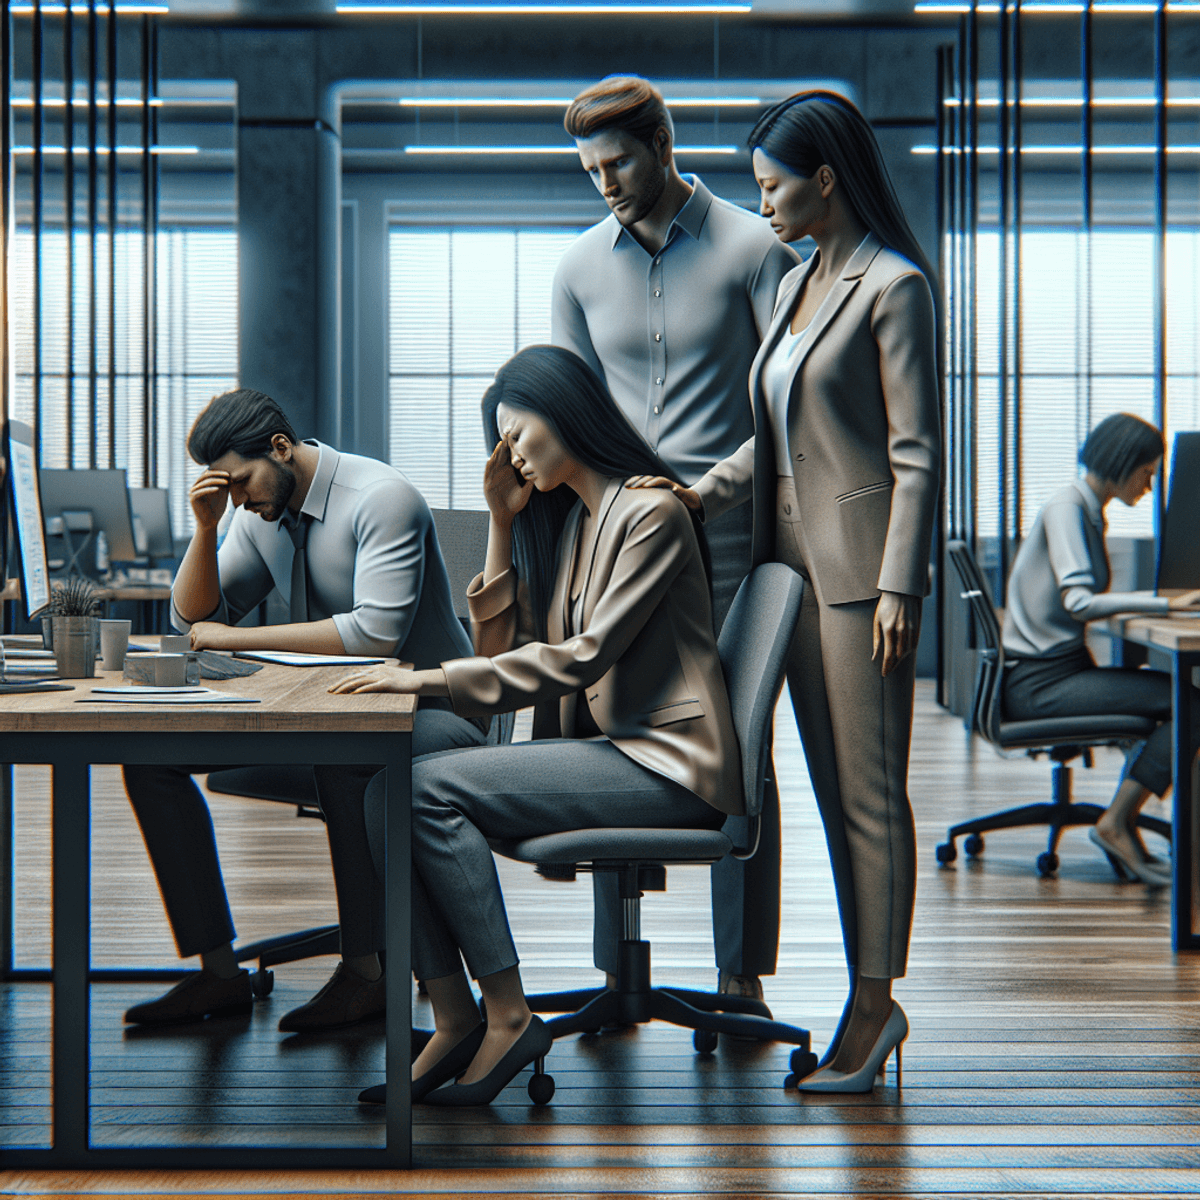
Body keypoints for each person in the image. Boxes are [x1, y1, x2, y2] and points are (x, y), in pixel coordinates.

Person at [328, 345, 742, 1107]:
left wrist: (421, 677)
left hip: (666, 766)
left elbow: (580, 659)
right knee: (388, 783)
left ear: (570, 411)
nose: (512, 454)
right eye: (504, 442)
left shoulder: (647, 515)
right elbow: (503, 659)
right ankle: (455, 1016)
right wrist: (499, 521)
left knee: (425, 790)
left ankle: (510, 1015)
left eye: (520, 434)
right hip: (612, 751)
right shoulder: (578, 524)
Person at [636, 90, 941, 1091]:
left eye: (773, 185)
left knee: (866, 797)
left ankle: (874, 1005)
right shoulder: (796, 284)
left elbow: (916, 454)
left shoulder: (893, 286)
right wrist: (699, 493)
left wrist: (902, 581)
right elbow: (767, 438)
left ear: (825, 178)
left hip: (860, 583)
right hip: (782, 573)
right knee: (805, 787)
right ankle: (861, 994)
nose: (759, 203)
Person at [121, 388, 487, 1030]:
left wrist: (239, 639)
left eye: (240, 482)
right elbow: (190, 620)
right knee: (152, 756)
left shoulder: (381, 499)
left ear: (281, 448)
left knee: (344, 757)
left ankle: (367, 974)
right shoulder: (252, 514)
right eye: (224, 489)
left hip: (433, 710)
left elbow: (376, 636)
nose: (238, 499)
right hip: (329, 713)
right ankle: (218, 973)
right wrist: (207, 530)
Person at [553, 74, 800, 1001]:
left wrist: (704, 496)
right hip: (614, 540)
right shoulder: (577, 268)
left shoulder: (754, 248)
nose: (604, 182)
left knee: (739, 748)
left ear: (662, 143)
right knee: (612, 733)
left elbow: (784, 412)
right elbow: (568, 413)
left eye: (617, 161)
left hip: (729, 536)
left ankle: (741, 980)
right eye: (589, 169)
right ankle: (618, 971)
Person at [1002, 413, 1200, 885]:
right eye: (1148, 472)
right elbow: (1078, 601)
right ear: (1124, 461)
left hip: (1053, 672)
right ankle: (1116, 822)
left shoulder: (1085, 507)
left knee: (1179, 697)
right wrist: (1164, 604)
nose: (1150, 486)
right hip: (1039, 683)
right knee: (1189, 703)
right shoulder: (1067, 508)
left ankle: (1121, 821)